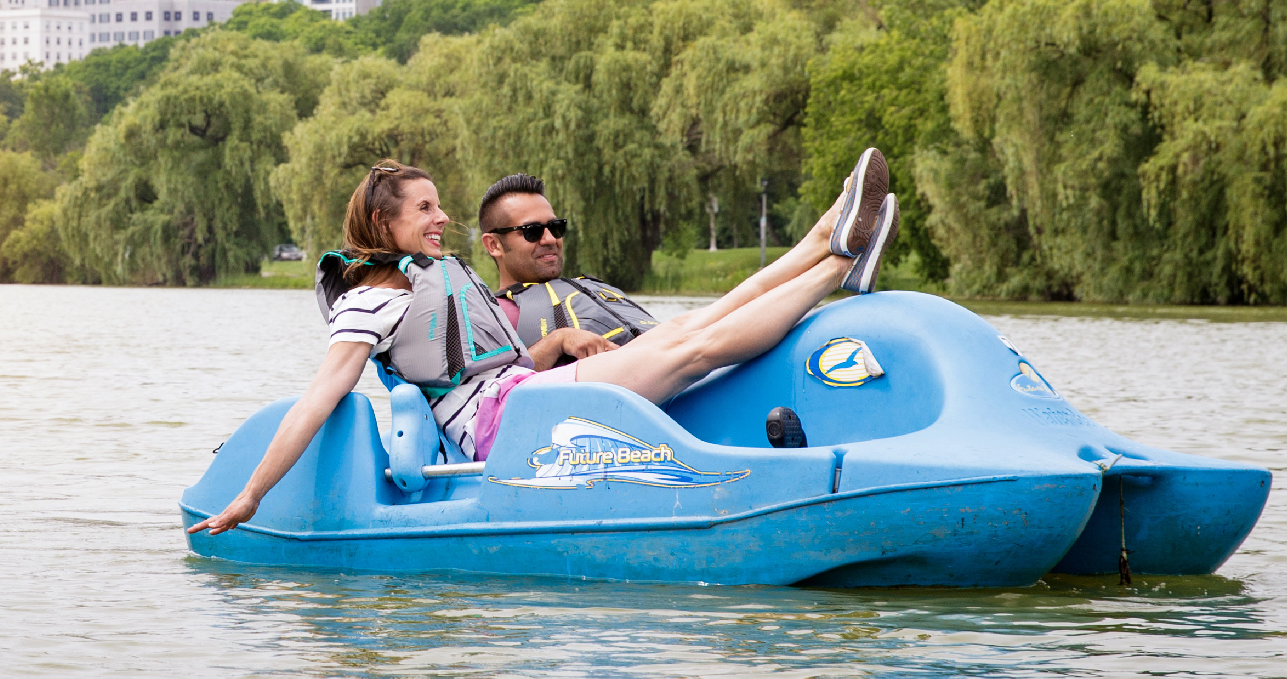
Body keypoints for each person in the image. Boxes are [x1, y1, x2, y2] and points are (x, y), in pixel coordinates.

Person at [189, 152, 897, 537]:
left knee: (688, 329)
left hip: (520, 395)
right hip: (507, 428)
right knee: (697, 348)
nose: (443, 218)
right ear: (385, 218)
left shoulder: (429, 280)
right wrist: (252, 494)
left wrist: (554, 339)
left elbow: (487, 365)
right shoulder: (373, 299)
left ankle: (825, 236)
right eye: (427, 207)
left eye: (439, 204)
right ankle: (839, 265)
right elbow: (319, 399)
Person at [473, 173, 655, 362]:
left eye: (555, 227)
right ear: (494, 245)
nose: (551, 239)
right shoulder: (490, 319)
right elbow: (492, 384)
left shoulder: (599, 290)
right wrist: (557, 341)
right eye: (532, 231)